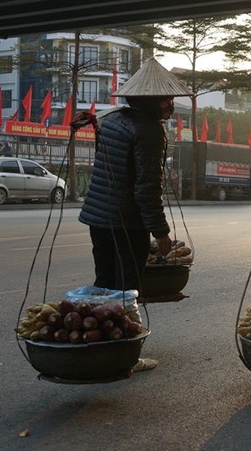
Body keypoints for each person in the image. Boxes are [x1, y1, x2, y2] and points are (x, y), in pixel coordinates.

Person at [78, 94, 174, 372]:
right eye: (166, 101)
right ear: (153, 102)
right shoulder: (150, 130)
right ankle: (126, 356)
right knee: (126, 291)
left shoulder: (111, 119)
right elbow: (146, 187)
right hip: (127, 221)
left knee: (104, 283)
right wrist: (160, 230)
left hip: (98, 217)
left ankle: (98, 347)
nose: (170, 106)